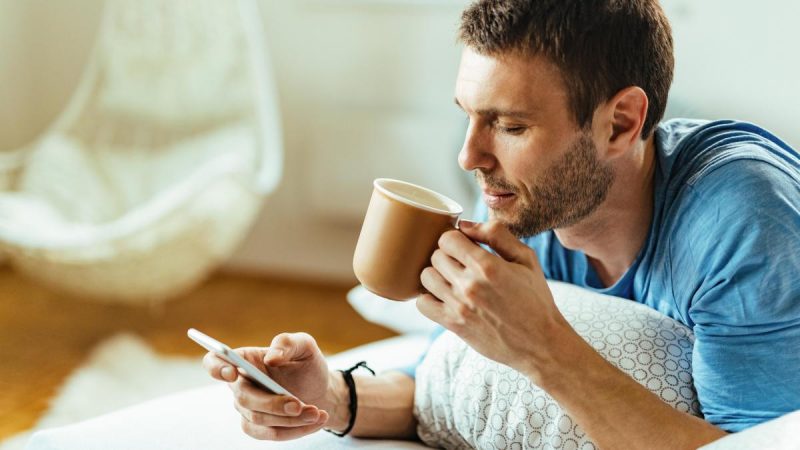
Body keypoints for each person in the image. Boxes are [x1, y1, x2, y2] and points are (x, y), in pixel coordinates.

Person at [204, 0, 800, 448]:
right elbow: (443, 383)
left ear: (620, 124)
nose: (470, 157)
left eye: (511, 126)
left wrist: (541, 347)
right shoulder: (537, 200)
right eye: (469, 117)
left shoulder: (744, 222)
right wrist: (330, 396)